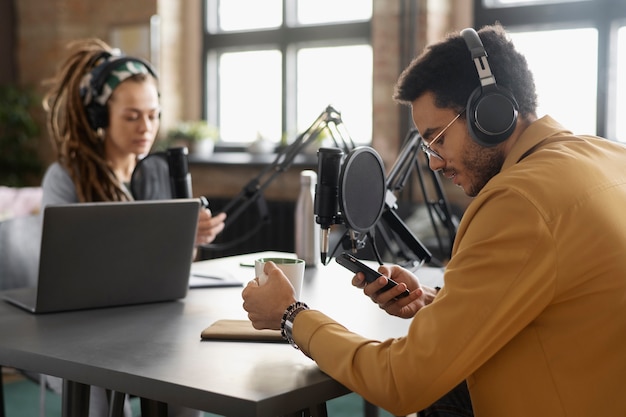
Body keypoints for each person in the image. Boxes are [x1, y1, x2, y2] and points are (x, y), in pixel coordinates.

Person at [242, 23, 626, 417]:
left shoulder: (519, 201)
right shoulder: (610, 157)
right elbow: (561, 301)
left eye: (438, 138)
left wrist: (291, 315)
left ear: (490, 113)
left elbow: (401, 382)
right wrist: (438, 302)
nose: (434, 162)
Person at [40, 38, 225, 417]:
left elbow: (173, 271)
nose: (147, 127)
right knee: (98, 405)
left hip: (150, 326)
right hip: (78, 334)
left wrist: (187, 241)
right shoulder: (65, 178)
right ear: (100, 118)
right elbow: (69, 272)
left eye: (154, 115)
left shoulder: (157, 172)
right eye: (132, 116)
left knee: (187, 392)